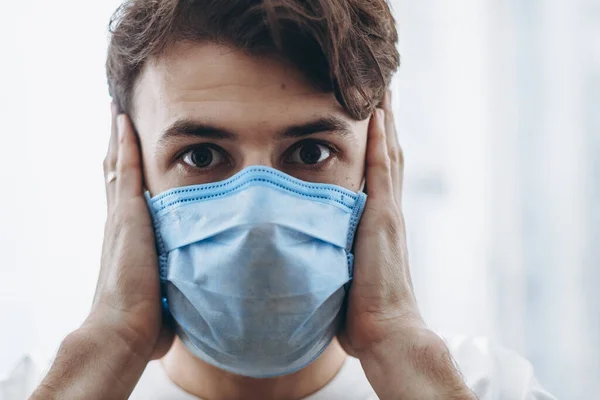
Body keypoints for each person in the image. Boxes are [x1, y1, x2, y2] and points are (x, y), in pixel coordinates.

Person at [21, 1, 556, 399]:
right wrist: (109, 345)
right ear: (125, 168)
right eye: (202, 156)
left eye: (311, 151)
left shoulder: (491, 387)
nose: (258, 219)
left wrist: (397, 344)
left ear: (380, 161)